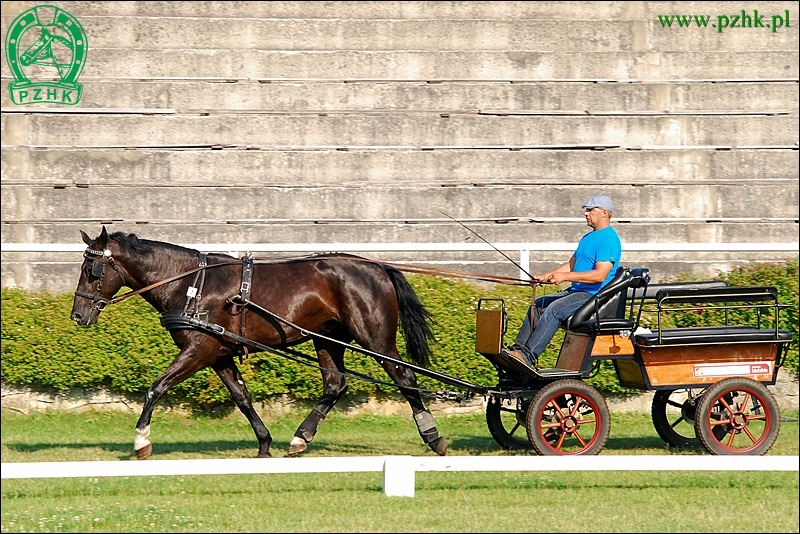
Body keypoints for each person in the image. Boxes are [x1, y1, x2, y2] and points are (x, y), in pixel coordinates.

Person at [498, 194, 622, 375]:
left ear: (604, 213)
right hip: (577, 291)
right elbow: (572, 264)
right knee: (538, 305)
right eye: (586, 210)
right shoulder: (588, 237)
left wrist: (564, 277)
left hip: (594, 296)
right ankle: (518, 352)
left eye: (590, 210)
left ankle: (527, 356)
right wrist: (548, 275)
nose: (586, 214)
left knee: (555, 309)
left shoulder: (609, 239)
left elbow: (599, 275)